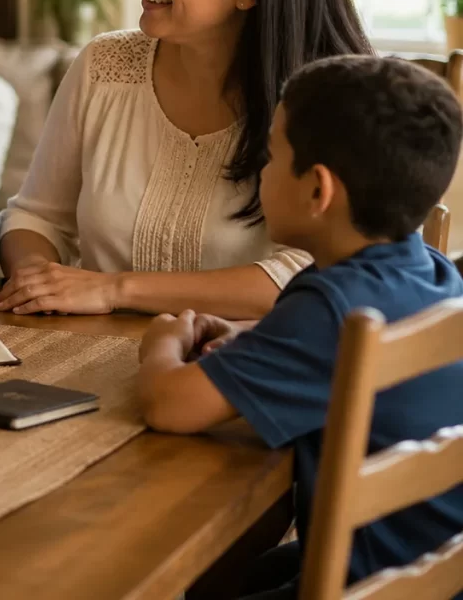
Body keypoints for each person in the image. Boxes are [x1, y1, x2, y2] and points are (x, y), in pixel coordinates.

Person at [0, 0, 371, 319]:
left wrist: (115, 290)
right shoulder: (104, 66)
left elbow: (316, 276)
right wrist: (39, 280)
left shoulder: (336, 104)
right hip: (81, 356)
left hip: (245, 374)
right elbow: (36, 217)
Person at [137, 56, 463, 598]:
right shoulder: (434, 272)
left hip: (361, 583)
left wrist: (162, 345)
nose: (261, 170)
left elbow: (171, 406)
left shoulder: (333, 308)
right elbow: (325, 354)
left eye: (271, 155)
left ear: (318, 191)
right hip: (429, 570)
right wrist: (248, 338)